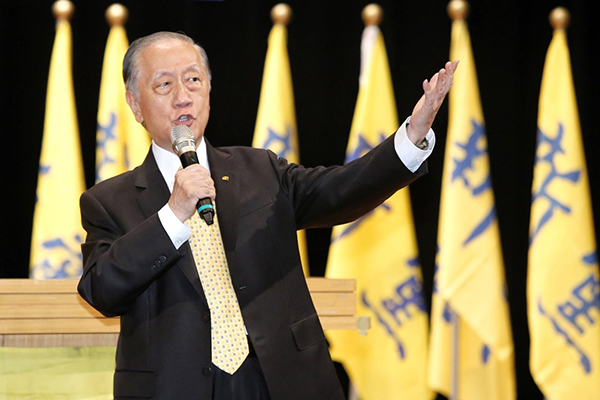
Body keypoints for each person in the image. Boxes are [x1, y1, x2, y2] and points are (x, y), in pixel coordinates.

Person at [78, 31, 458, 400]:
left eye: (193, 80)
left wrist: (412, 137)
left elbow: (342, 189)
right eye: (164, 85)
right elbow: (101, 290)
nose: (183, 97)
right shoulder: (108, 201)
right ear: (135, 104)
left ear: (208, 91)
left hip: (278, 379)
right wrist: (174, 214)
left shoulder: (260, 170)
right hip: (177, 386)